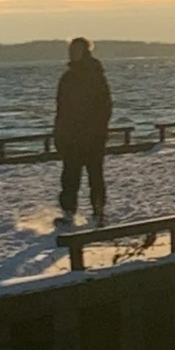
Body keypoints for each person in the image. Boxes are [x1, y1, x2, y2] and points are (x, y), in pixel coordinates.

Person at [54, 36, 113, 221]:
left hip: (93, 137)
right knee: (70, 176)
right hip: (71, 137)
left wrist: (97, 130)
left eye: (77, 50)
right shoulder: (67, 78)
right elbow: (61, 109)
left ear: (86, 52)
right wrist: (59, 134)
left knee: (95, 176)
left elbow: (105, 107)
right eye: (71, 50)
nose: (73, 54)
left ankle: (98, 211)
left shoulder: (96, 76)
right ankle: (69, 212)